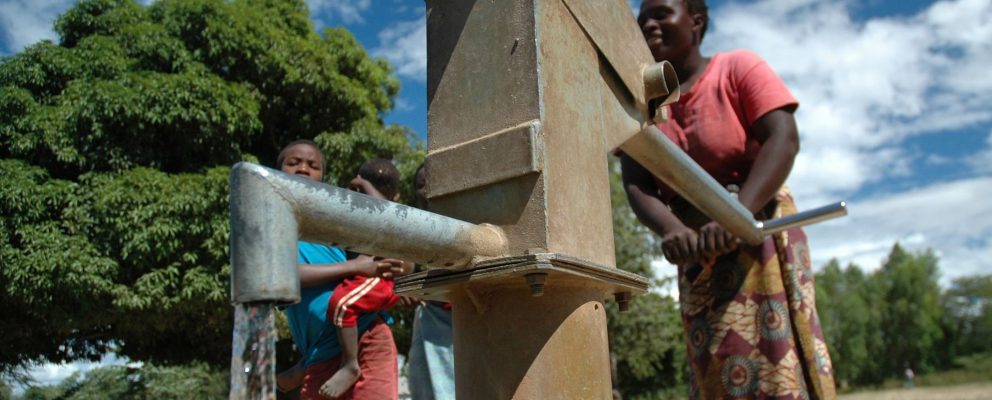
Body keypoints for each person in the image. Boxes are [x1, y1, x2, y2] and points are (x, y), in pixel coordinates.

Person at [620, 1, 836, 398]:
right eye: (642, 18)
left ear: (696, 22)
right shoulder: (641, 107)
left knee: (776, 357)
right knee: (716, 361)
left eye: (662, 14)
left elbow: (782, 138)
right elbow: (636, 183)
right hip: (697, 250)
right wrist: (672, 230)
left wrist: (736, 214)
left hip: (759, 230)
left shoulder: (738, 68)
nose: (649, 24)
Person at [274, 140, 403, 400]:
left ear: (322, 177)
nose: (303, 169)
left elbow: (388, 230)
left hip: (366, 338)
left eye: (313, 165)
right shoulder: (273, 225)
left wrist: (364, 185)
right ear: (276, 172)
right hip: (319, 356)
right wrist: (355, 266)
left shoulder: (334, 220)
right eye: (293, 162)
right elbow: (282, 277)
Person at [320, 158, 411, 399]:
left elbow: (383, 212)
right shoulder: (352, 215)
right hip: (367, 287)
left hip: (379, 284)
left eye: (372, 187)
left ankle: (350, 364)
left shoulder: (394, 215)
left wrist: (363, 184)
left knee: (342, 304)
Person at [405, 164, 456, 400]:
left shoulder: (465, 218)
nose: (426, 189)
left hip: (464, 315)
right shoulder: (414, 224)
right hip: (431, 315)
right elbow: (404, 268)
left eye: (433, 181)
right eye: (420, 185)